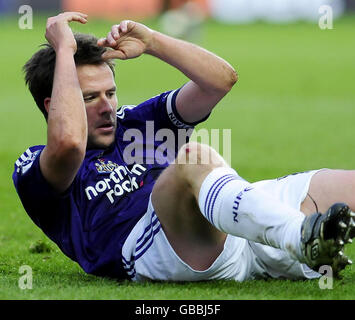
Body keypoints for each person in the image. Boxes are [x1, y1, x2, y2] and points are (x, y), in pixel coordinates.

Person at [13, 12, 355, 283]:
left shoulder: (134, 121)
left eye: (110, 92)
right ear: (52, 104)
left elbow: (220, 81)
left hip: (237, 224)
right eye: (89, 98)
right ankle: (300, 236)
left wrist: (151, 42)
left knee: (346, 187)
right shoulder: (37, 166)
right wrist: (63, 49)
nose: (106, 107)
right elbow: (69, 142)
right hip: (163, 251)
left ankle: (297, 240)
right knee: (195, 157)